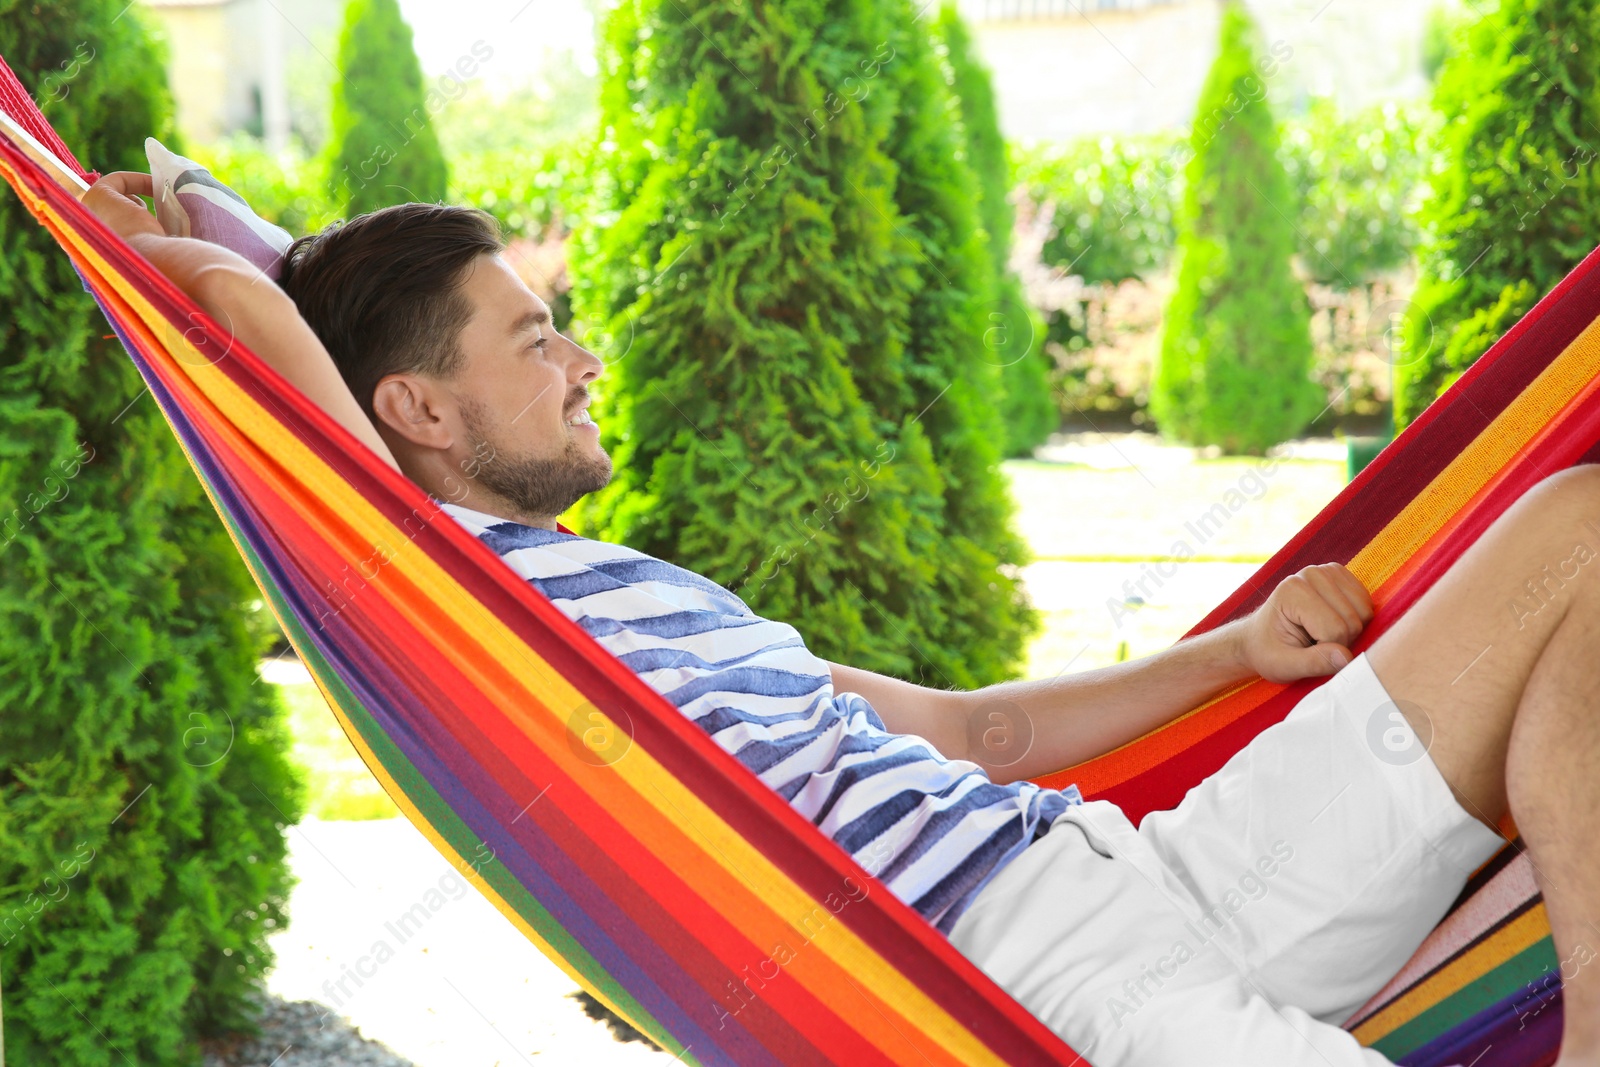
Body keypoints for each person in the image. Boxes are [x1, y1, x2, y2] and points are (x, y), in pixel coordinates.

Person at [83, 174, 1599, 1067]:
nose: (583, 363)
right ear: (411, 409)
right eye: (539, 337)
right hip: (1026, 981)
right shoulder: (456, 603)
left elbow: (967, 733)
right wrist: (131, 228)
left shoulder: (639, 588)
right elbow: (238, 312)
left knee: (1573, 532)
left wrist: (1236, 655)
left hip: (1159, 863)